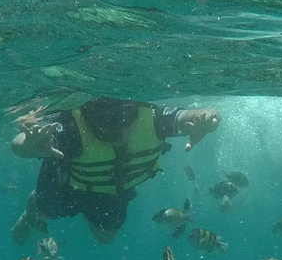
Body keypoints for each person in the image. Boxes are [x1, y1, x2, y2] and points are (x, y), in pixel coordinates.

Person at [11, 98, 220, 244]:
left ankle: (84, 211)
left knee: (106, 238)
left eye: (121, 119)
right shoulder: (72, 127)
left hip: (112, 187)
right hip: (67, 185)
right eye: (101, 122)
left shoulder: (155, 119)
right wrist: (29, 145)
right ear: (87, 112)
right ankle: (34, 201)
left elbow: (191, 116)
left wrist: (208, 118)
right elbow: (19, 144)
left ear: (134, 109)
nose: (112, 125)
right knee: (43, 210)